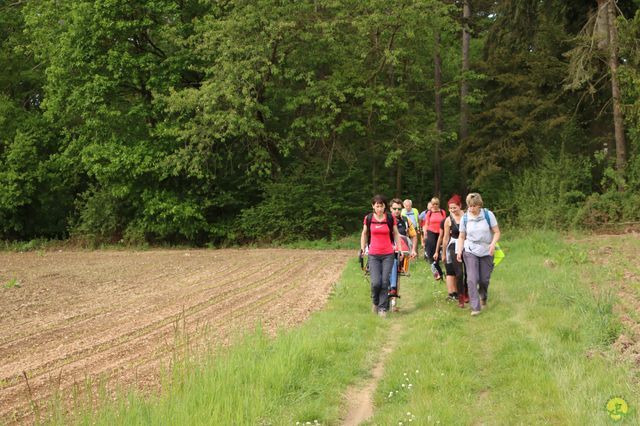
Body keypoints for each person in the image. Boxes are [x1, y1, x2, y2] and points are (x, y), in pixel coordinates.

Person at [456, 192, 501, 316]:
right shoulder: (465, 218)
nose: (471, 209)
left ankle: (483, 297)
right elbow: (461, 236)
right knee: (472, 278)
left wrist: (492, 244)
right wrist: (459, 251)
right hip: (470, 249)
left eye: (474, 206)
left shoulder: (488, 214)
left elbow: (496, 232)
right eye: (469, 206)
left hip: (487, 249)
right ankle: (475, 307)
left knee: (484, 280)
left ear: (479, 205)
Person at [360, 195, 403, 317]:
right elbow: (364, 234)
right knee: (375, 283)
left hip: (388, 254)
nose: (379, 208)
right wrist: (363, 248)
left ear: (385, 206)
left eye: (381, 206)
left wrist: (399, 249)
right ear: (373, 206)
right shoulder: (368, 218)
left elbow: (396, 233)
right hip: (373, 255)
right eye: (377, 206)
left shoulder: (389, 218)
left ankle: (382, 308)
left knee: (385, 282)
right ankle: (375, 302)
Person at [440, 195, 467, 307]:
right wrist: (444, 252)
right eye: (450, 208)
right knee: (459, 273)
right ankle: (460, 296)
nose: (452, 210)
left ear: (460, 206)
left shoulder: (467, 217)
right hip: (454, 246)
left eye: (454, 208)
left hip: (467, 245)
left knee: (469, 272)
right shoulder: (448, 220)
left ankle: (467, 293)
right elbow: (446, 238)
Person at [423, 197, 446, 281]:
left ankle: (438, 269)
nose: (435, 206)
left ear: (438, 204)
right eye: (433, 204)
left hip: (440, 232)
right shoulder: (429, 213)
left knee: (438, 252)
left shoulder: (442, 212)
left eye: (436, 204)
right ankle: (436, 271)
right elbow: (426, 223)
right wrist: (425, 233)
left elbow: (445, 222)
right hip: (431, 231)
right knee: (431, 251)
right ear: (431, 205)